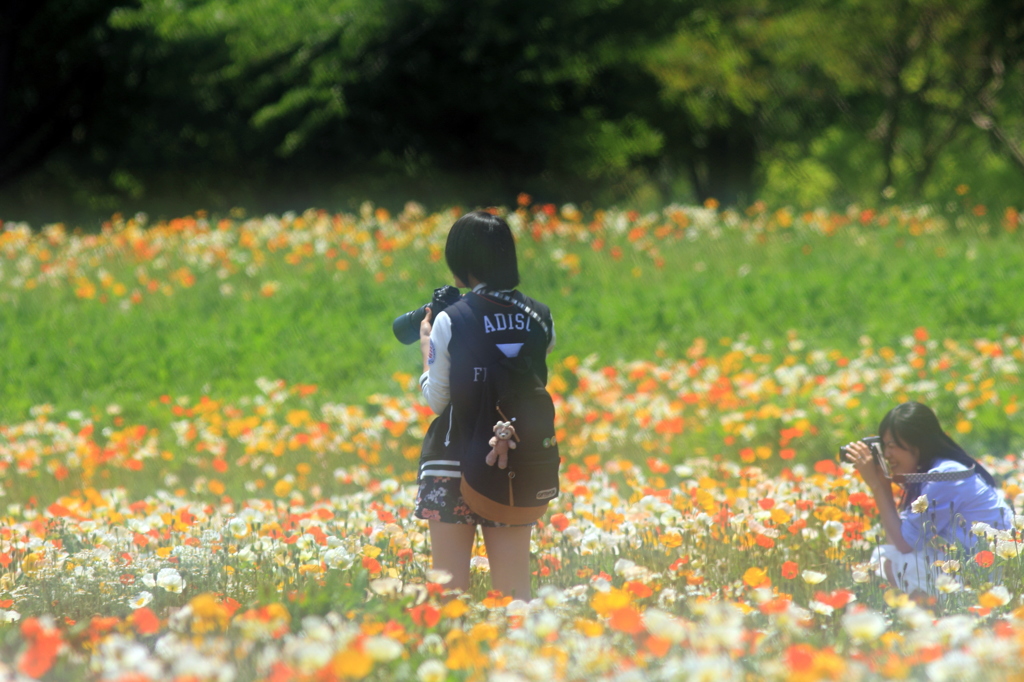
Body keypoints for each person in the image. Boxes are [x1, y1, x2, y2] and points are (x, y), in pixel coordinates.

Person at [413, 210, 556, 600]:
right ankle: (519, 658)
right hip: (515, 463)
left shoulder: (452, 319)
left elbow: (438, 398)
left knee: (449, 592)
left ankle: (454, 659)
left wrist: (428, 342)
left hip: (452, 461)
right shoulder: (541, 317)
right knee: (514, 592)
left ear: (462, 261)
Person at [844, 401, 1012, 594]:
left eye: (891, 446)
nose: (887, 454)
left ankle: (925, 619)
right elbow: (899, 540)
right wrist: (882, 483)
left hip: (991, 575)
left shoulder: (945, 477)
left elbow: (904, 545)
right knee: (887, 557)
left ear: (918, 444)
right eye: (883, 446)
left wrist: (878, 486)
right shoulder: (940, 471)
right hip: (982, 567)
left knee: (893, 561)